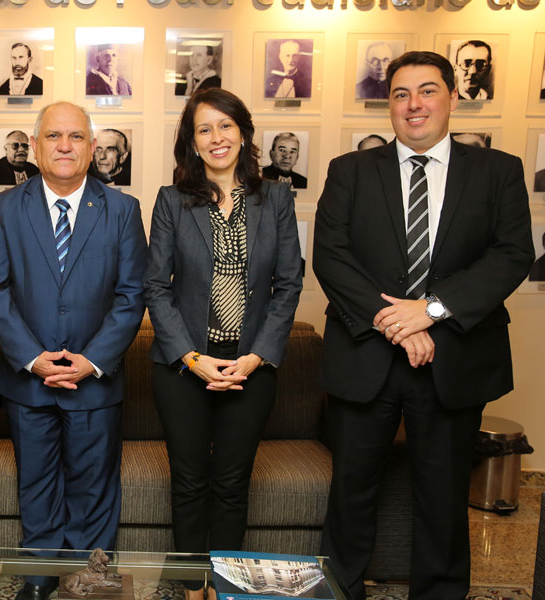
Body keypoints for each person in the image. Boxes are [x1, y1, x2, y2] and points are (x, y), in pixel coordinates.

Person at [313, 51, 533, 600]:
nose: (415, 105)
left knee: (442, 496)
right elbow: (331, 257)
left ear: (452, 98)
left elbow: (511, 255)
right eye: (402, 94)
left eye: (428, 91)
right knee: (351, 495)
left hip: (454, 359)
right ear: (389, 105)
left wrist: (431, 311)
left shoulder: (497, 171)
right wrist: (401, 324)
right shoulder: (349, 171)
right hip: (366, 357)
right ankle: (341, 593)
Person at [0, 101, 147, 600]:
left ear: (94, 149)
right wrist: (33, 358)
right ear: (34, 147)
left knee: (93, 492)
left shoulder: (122, 210)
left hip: (96, 382)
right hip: (28, 381)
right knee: (36, 487)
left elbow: (131, 294)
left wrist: (91, 361)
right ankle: (37, 581)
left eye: (76, 137)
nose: (65, 146)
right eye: (53, 136)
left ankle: (88, 584)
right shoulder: (4, 208)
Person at [144, 88, 302, 600]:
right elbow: (156, 286)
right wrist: (191, 358)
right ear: (192, 141)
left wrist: (255, 357)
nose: (217, 138)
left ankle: (227, 586)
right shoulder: (172, 200)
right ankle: (193, 588)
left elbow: (288, 284)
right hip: (184, 365)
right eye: (204, 129)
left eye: (226, 126)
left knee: (233, 483)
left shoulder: (275, 198)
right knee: (190, 483)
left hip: (250, 365)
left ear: (243, 132)